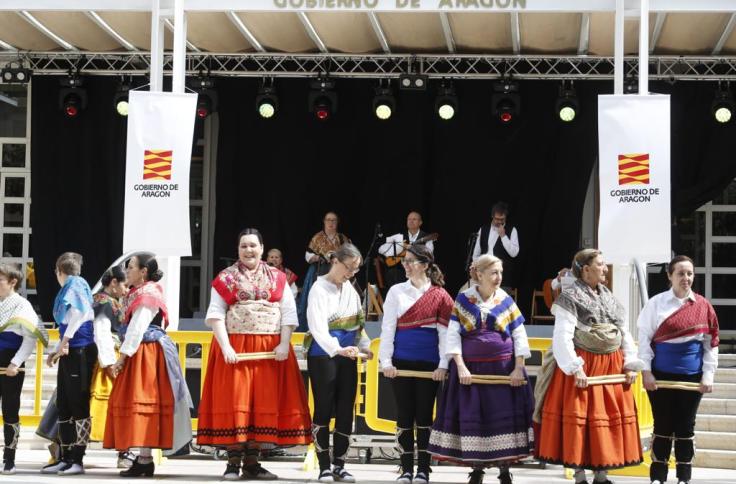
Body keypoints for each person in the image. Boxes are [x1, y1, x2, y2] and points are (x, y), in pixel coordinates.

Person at [197, 229, 312, 480]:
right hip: (236, 347)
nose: (248, 250)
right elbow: (216, 313)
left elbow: (289, 313)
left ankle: (252, 461)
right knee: (236, 401)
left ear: (262, 248)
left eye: (253, 246)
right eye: (243, 246)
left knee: (263, 402)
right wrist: (226, 347)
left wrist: (284, 344)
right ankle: (232, 461)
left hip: (270, 350)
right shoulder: (226, 278)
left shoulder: (279, 278)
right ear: (238, 250)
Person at [535, 249, 643, 484]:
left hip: (611, 368)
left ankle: (602, 475)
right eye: (601, 265)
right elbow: (562, 336)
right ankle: (580, 475)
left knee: (604, 420)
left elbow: (623, 332)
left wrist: (629, 363)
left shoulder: (609, 297)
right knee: (582, 420)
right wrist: (576, 368)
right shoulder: (570, 297)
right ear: (585, 269)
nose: (605, 269)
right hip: (585, 366)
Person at [428, 255, 534, 484]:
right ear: (480, 274)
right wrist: (461, 366)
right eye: (494, 273)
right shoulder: (465, 299)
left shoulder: (505, 300)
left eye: (500, 273)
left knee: (502, 418)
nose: (499, 278)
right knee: (475, 416)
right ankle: (477, 468)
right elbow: (453, 335)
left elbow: (519, 334)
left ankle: (505, 469)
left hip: (503, 370)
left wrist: (518, 368)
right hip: (472, 371)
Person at [103, 253, 193, 477]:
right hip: (140, 351)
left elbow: (137, 329)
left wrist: (121, 359)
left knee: (144, 402)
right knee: (138, 403)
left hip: (147, 353)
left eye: (131, 267)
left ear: (143, 272)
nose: (127, 272)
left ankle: (144, 459)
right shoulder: (137, 292)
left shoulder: (148, 294)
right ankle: (143, 458)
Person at [637, 255, 719, 484]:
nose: (686, 278)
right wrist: (646, 371)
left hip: (692, 377)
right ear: (669, 276)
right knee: (662, 423)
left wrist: (708, 375)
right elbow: (644, 339)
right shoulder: (656, 304)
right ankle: (657, 477)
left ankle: (684, 477)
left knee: (685, 425)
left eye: (690, 273)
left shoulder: (703, 305)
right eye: (681, 273)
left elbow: (711, 343)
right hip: (661, 376)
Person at [379, 245, 453, 484]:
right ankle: (405, 469)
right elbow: (388, 327)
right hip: (400, 363)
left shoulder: (440, 295)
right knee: (404, 415)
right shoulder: (395, 291)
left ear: (425, 265)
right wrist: (386, 361)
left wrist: (443, 364)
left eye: (411, 261)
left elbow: (445, 334)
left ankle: (423, 470)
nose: (406, 265)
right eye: (405, 261)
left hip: (429, 364)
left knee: (424, 416)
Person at [306, 243, 372, 483]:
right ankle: (324, 466)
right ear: (335, 261)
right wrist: (337, 349)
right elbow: (317, 328)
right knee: (324, 408)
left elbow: (358, 327)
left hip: (347, 355)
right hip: (324, 354)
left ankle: (340, 465)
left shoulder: (351, 290)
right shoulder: (318, 288)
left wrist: (364, 347)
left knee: (346, 409)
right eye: (349, 268)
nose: (351, 274)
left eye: (355, 270)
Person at [41, 252, 97, 476]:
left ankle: (77, 458)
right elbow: (66, 324)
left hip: (79, 350)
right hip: (70, 350)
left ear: (59, 271)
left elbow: (78, 315)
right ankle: (64, 456)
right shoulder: (73, 286)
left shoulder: (76, 285)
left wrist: (63, 343)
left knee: (78, 405)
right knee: (63, 404)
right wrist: (57, 349)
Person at [0, 261, 48, 475]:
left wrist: (15, 363)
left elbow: (29, 340)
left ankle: (9, 458)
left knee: (10, 411)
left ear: (13, 282)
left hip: (10, 361)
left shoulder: (22, 305)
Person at [90, 265, 135, 469]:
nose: (127, 290)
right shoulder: (105, 303)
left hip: (103, 357)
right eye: (125, 285)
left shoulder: (105, 301)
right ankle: (123, 453)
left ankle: (65, 449)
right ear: (114, 282)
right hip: (106, 359)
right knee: (116, 405)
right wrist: (109, 364)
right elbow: (102, 332)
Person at [298, 212, 351, 329]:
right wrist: (319, 257)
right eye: (328, 220)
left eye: (334, 220)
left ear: (337, 223)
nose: (331, 223)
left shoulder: (342, 238)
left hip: (338, 273)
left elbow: (350, 255)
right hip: (319, 270)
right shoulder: (317, 238)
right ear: (324, 222)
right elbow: (308, 255)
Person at [379, 211, 436, 291]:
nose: (411, 221)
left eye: (414, 219)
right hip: (401, 270)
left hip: (417, 269)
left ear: (420, 222)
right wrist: (401, 246)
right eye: (409, 219)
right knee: (392, 273)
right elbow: (381, 249)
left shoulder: (426, 237)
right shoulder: (399, 236)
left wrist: (415, 250)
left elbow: (429, 255)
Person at [471, 202, 519, 289]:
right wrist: (478, 267)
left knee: (499, 302)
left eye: (502, 219)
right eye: (497, 219)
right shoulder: (483, 229)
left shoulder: (512, 230)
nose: (499, 222)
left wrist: (504, 237)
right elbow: (476, 254)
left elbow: (514, 253)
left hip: (502, 278)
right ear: (492, 216)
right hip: (484, 276)